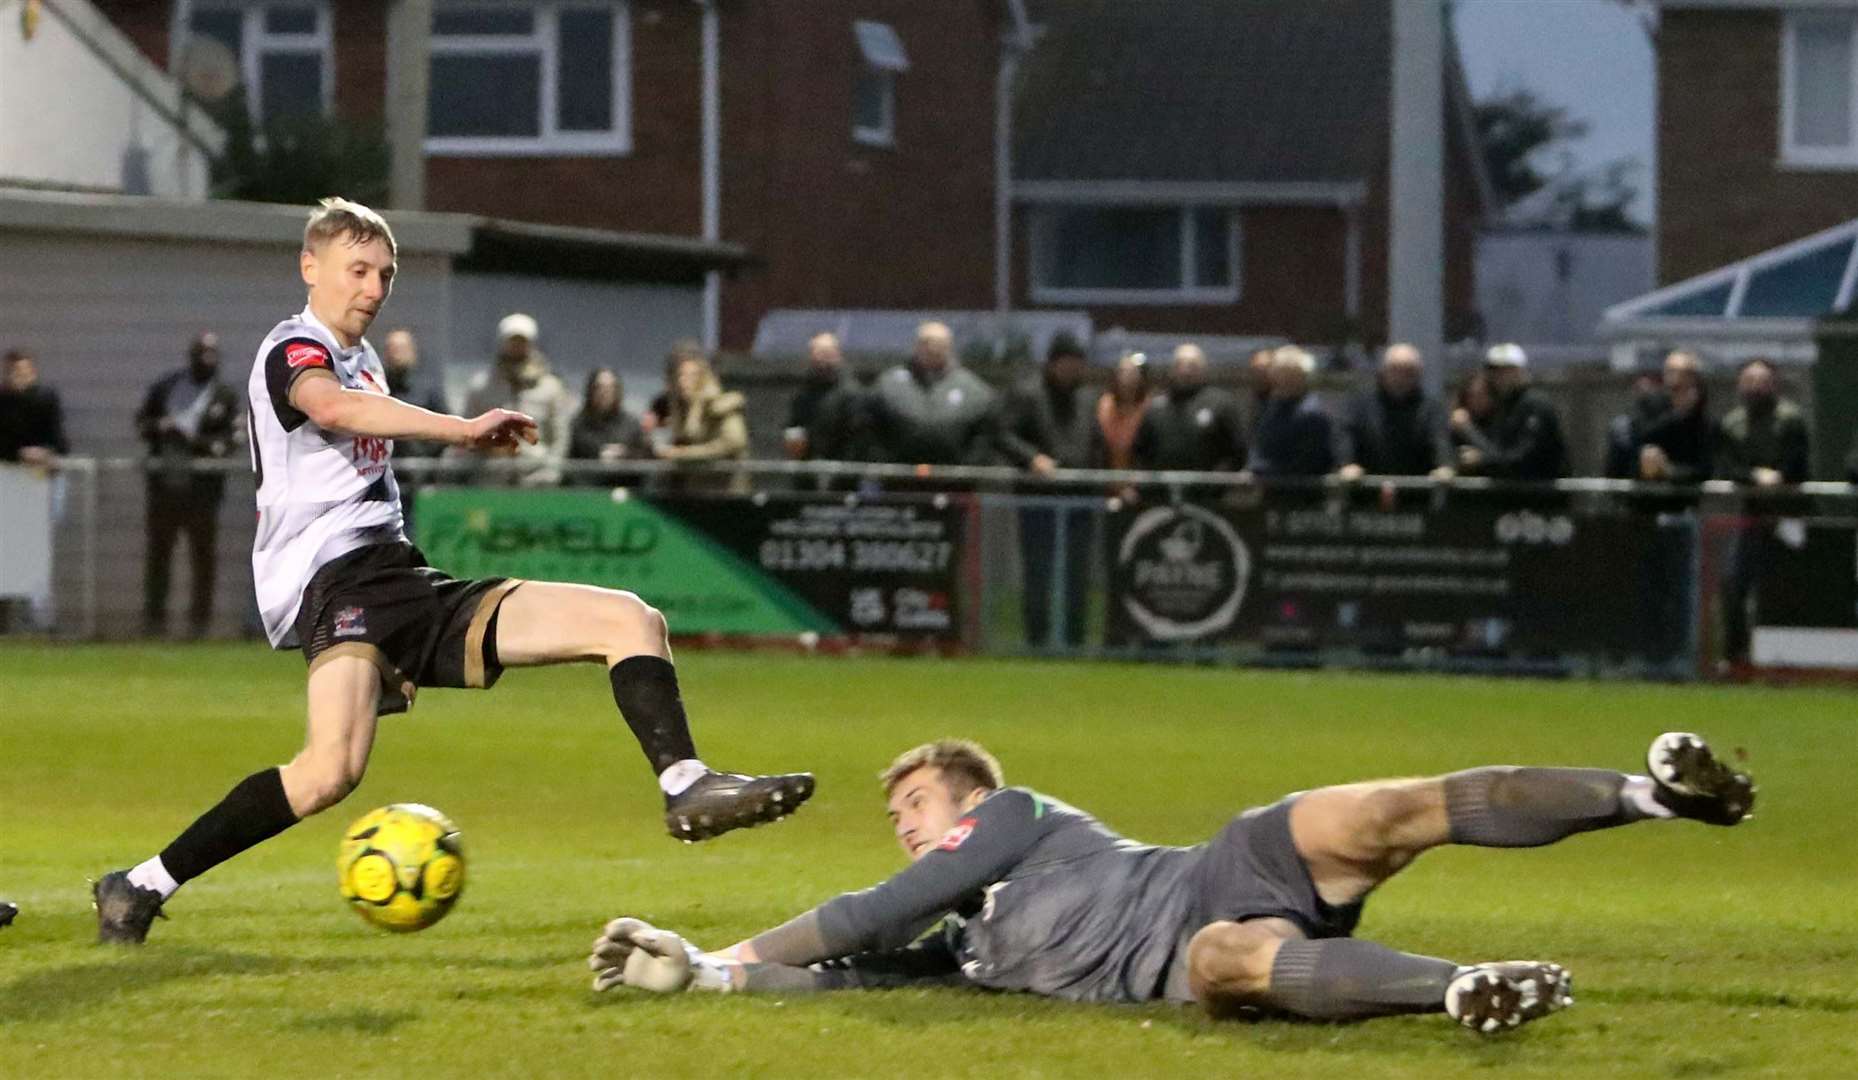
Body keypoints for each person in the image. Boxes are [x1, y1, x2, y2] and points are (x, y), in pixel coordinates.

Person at [91, 198, 813, 945]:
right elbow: (331, 410)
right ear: (310, 268)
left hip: (399, 578)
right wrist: (461, 429)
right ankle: (140, 885)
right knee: (327, 771)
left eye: (386, 274)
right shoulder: (294, 349)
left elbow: (356, 409)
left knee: (628, 619)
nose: (373, 288)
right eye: (358, 270)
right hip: (337, 582)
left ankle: (685, 785)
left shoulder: (364, 360)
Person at [589, 731, 1753, 1035]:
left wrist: (731, 949)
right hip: (1184, 959)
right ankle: (1465, 991)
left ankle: (1654, 795)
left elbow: (864, 916)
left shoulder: (1016, 816)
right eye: (899, 818)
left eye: (914, 807)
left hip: (1220, 861)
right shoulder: (969, 954)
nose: (905, 830)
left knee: (1386, 811)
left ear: (967, 796)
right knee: (1225, 966)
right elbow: (859, 976)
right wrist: (694, 982)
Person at [135, 332, 242, 639]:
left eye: (211, 356)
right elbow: (142, 423)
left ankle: (199, 624)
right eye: (201, 355)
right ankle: (154, 621)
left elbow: (232, 439)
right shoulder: (167, 387)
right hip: (165, 487)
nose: (205, 361)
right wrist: (163, 428)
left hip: (203, 492)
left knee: (203, 556)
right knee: (159, 554)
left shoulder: (224, 396)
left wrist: (195, 441)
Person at [999, 333, 1098, 649]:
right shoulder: (1026, 393)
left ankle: (1073, 640)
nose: (1071, 370)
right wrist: (1031, 458)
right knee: (1038, 571)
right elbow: (1002, 434)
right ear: (1053, 362)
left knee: (1076, 573)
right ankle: (1038, 640)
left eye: (1077, 364)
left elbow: (1097, 443)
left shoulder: (1088, 398)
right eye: (1066, 363)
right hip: (1037, 497)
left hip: (1080, 497)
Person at [1715, 358, 1811, 664]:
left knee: (1786, 588)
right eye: (1749, 380)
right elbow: (1727, 466)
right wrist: (1754, 476)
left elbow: (1797, 464)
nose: (1756, 386)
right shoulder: (1732, 423)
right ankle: (1736, 655)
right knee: (1733, 583)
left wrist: (1779, 476)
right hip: (1749, 515)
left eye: (1762, 380)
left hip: (1787, 516)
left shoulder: (1791, 419)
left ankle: (1787, 658)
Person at [866, 322, 1000, 469]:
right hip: (896, 479)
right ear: (916, 346)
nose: (932, 348)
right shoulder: (888, 384)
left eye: (939, 343)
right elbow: (870, 427)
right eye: (926, 342)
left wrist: (968, 468)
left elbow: (985, 433)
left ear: (949, 347)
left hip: (956, 481)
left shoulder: (974, 389)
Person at [460, 313, 573, 486]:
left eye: (522, 341)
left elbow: (560, 436)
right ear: (502, 343)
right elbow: (468, 432)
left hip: (536, 476)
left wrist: (552, 470)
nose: (517, 346)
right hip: (491, 477)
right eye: (512, 341)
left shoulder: (551, 388)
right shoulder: (481, 387)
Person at [1334, 343, 1452, 481]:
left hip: (1417, 493)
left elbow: (1440, 439)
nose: (1401, 378)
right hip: (1366, 492)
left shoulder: (1432, 409)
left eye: (1409, 372)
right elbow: (1345, 435)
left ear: (1419, 375)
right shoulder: (1359, 405)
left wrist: (1445, 465)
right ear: (1383, 371)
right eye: (1395, 370)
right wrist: (1346, 463)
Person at [1454, 344, 1566, 482]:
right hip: (1512, 495)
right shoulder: (1504, 406)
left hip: (1539, 496)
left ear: (1519, 371)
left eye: (1506, 370)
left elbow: (1525, 457)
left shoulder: (1535, 404)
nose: (1499, 376)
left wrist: (1483, 460)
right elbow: (1497, 449)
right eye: (1494, 371)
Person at [1131, 343, 1247, 475]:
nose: (1185, 371)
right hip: (1160, 491)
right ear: (1172, 369)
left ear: (1203, 369)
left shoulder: (1221, 404)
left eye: (1192, 365)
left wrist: (1216, 481)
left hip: (1206, 492)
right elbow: (1140, 450)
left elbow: (1237, 451)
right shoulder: (1156, 407)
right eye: (1180, 365)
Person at [380, 329, 448, 531]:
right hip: (383, 481)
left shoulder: (427, 390)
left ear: (413, 352)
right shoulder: (376, 389)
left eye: (402, 348)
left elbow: (445, 427)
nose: (397, 354)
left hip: (420, 481)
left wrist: (429, 461)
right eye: (392, 349)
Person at [657, 355, 750, 493]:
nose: (683, 381)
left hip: (725, 488)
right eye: (681, 375)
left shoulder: (721, 405)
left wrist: (683, 454)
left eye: (691, 376)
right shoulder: (684, 408)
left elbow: (733, 442)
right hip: (695, 487)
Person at [1247, 346, 1335, 480]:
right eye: (1278, 374)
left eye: (1289, 375)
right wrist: (1254, 467)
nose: (1281, 380)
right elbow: (1259, 444)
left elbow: (1307, 463)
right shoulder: (1270, 407)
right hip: (1270, 489)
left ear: (1302, 377)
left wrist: (1265, 470)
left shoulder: (1313, 413)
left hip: (1301, 493)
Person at [784, 332, 867, 469]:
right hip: (806, 471)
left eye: (825, 353)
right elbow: (794, 426)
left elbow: (858, 438)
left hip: (843, 473)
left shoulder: (852, 393)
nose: (819, 358)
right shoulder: (804, 393)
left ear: (837, 355)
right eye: (815, 353)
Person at [568, 367, 651, 484]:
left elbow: (645, 457)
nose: (604, 393)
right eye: (599, 387)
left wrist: (625, 454)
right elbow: (570, 462)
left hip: (625, 489)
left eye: (610, 388)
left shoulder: (631, 424)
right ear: (590, 391)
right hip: (587, 491)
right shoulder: (577, 424)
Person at [0, 349, 69, 466]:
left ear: (32, 374)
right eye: (10, 372)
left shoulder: (45, 400)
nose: (14, 377)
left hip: (40, 468)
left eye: (20, 372)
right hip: (6, 468)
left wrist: (45, 452)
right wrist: (20, 454)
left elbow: (60, 442)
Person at [1093, 351, 1152, 473]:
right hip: (1103, 477)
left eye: (1134, 372)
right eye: (1124, 372)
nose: (1128, 377)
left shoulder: (1150, 409)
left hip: (1139, 481)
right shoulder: (1102, 405)